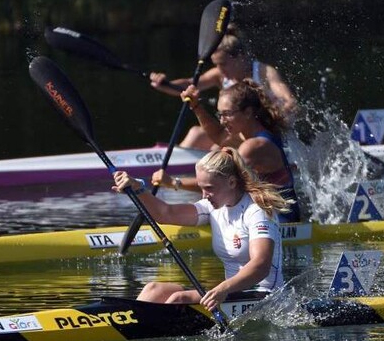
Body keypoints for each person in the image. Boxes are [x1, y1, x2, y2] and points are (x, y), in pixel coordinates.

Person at [112, 147, 287, 310]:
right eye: (201, 188)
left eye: (209, 188)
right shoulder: (213, 206)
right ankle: (127, 324)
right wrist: (138, 189)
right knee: (154, 289)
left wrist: (222, 289)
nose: (204, 195)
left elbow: (261, 265)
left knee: (180, 299)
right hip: (230, 293)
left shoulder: (257, 211)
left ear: (232, 182)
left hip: (265, 296)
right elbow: (166, 213)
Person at [152, 78, 302, 223]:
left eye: (227, 114)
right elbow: (218, 136)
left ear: (248, 112)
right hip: (262, 214)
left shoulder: (254, 146)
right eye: (220, 114)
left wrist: (174, 182)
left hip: (281, 221)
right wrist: (196, 106)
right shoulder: (248, 133)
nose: (222, 121)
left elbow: (218, 182)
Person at [150, 24, 299, 150]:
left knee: (216, 147)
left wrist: (278, 112)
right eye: (216, 65)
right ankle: (171, 169)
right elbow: (190, 84)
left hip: (266, 138)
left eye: (223, 64)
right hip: (238, 135)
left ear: (240, 57)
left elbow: (289, 102)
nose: (219, 70)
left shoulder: (264, 72)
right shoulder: (219, 75)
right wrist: (165, 84)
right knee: (196, 133)